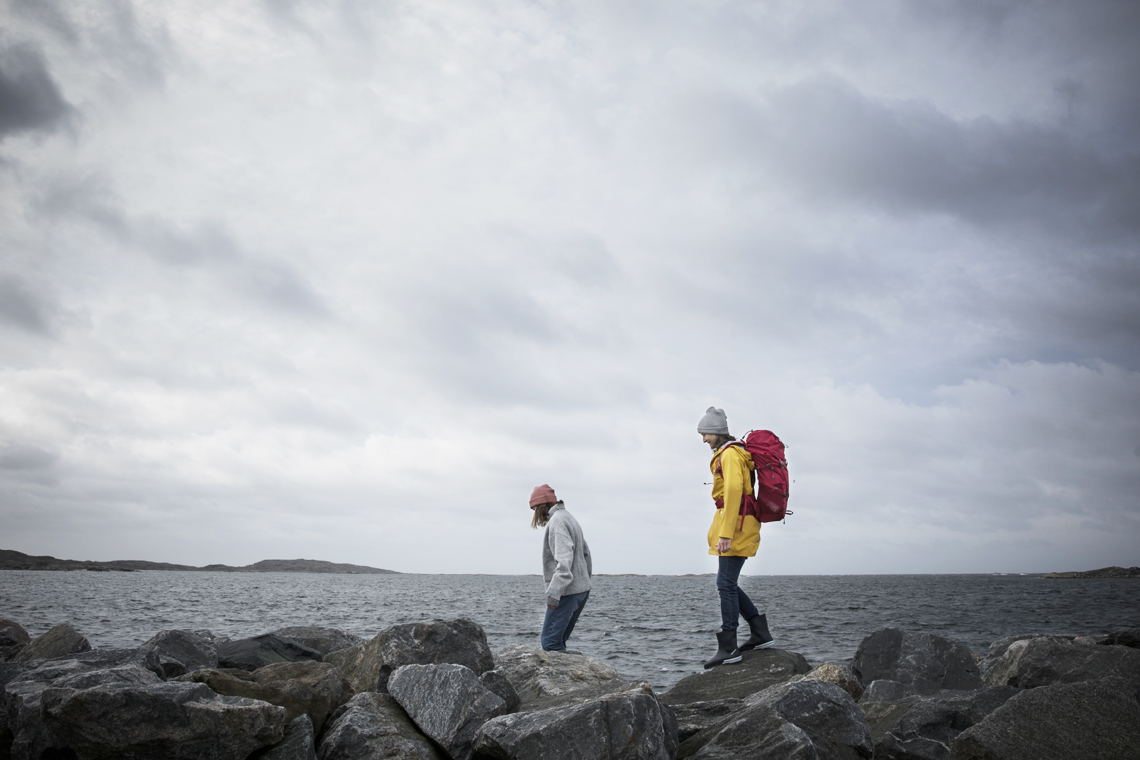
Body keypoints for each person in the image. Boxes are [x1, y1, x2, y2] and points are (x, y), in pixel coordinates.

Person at [698, 407, 775, 668]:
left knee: (725, 584)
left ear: (717, 432)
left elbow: (733, 493)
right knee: (727, 582)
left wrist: (726, 534)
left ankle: (729, 647)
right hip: (741, 523)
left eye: (705, 433)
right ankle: (759, 633)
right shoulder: (731, 453)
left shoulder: (729, 455)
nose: (704, 439)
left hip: (738, 526)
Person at [529, 484, 593, 652]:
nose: (535, 515)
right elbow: (586, 554)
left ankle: (565, 678)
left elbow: (564, 562)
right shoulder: (569, 517)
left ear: (541, 506)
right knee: (558, 641)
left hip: (567, 591)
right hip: (581, 590)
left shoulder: (557, 521)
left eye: (534, 509)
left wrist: (553, 594)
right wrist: (585, 581)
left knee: (550, 643)